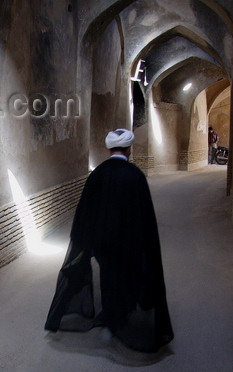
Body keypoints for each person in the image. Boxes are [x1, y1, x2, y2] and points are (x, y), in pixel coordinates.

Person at [44, 129, 174, 353]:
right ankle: (122, 319)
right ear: (129, 149)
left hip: (102, 242)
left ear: (109, 148)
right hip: (129, 242)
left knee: (108, 275)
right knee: (127, 277)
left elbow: (85, 211)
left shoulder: (98, 174)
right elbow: (145, 215)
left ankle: (110, 316)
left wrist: (83, 241)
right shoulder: (135, 175)